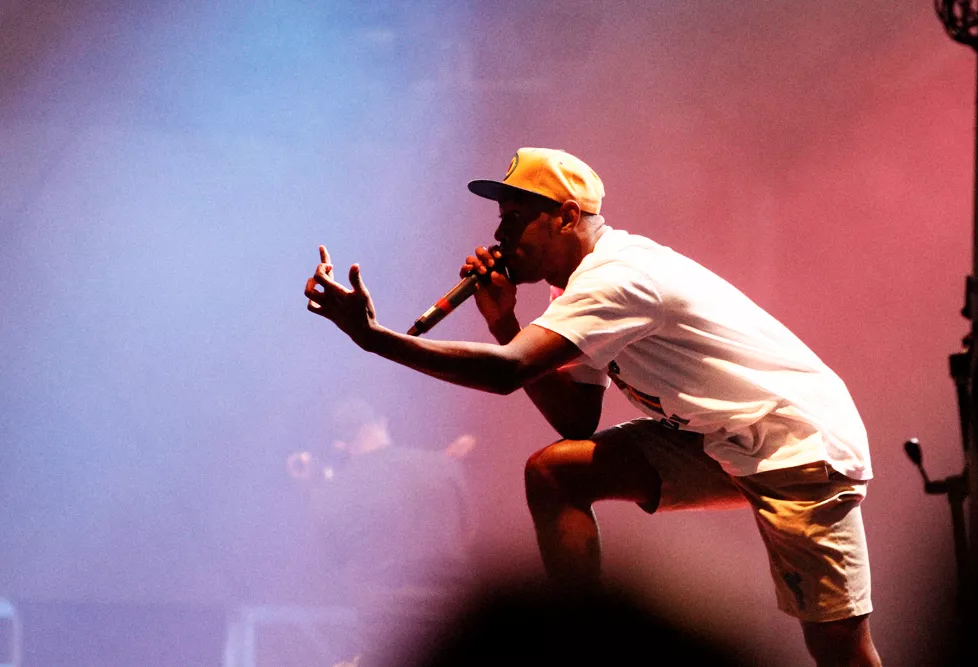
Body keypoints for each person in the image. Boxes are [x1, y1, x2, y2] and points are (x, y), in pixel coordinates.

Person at [304, 148, 881, 666]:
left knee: (838, 648)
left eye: (515, 218)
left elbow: (507, 372)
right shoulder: (576, 289)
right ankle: (583, 647)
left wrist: (375, 338)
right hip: (721, 440)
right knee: (557, 472)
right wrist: (504, 322)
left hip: (794, 444)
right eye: (500, 219)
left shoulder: (616, 279)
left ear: (565, 217)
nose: (500, 236)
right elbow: (576, 419)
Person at [286, 398, 476, 667]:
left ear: (339, 444)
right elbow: (467, 534)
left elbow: (333, 560)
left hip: (388, 642)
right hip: (460, 625)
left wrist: (314, 487)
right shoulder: (443, 465)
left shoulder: (333, 492)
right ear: (382, 422)